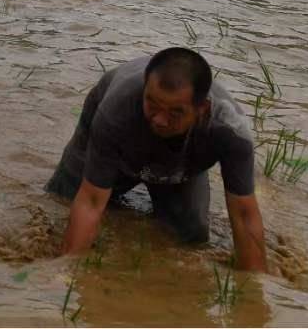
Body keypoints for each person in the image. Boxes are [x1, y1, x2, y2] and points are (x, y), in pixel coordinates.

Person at [47, 48, 266, 271]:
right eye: (152, 104)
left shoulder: (230, 131)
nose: (160, 120)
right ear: (144, 89)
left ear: (202, 109)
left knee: (191, 237)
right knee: (60, 203)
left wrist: (254, 285)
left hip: (183, 161)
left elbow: (244, 214)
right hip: (117, 136)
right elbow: (91, 200)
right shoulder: (116, 110)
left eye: (175, 113)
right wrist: (66, 271)